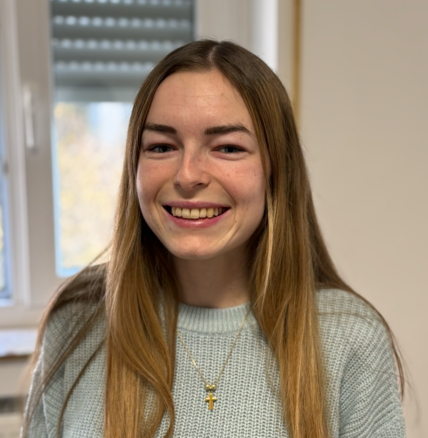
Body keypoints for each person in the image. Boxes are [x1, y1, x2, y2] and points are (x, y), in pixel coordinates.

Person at [22, 39, 406, 438]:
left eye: (227, 147)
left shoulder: (350, 336)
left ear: (276, 171)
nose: (187, 175)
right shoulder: (77, 320)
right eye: (161, 146)